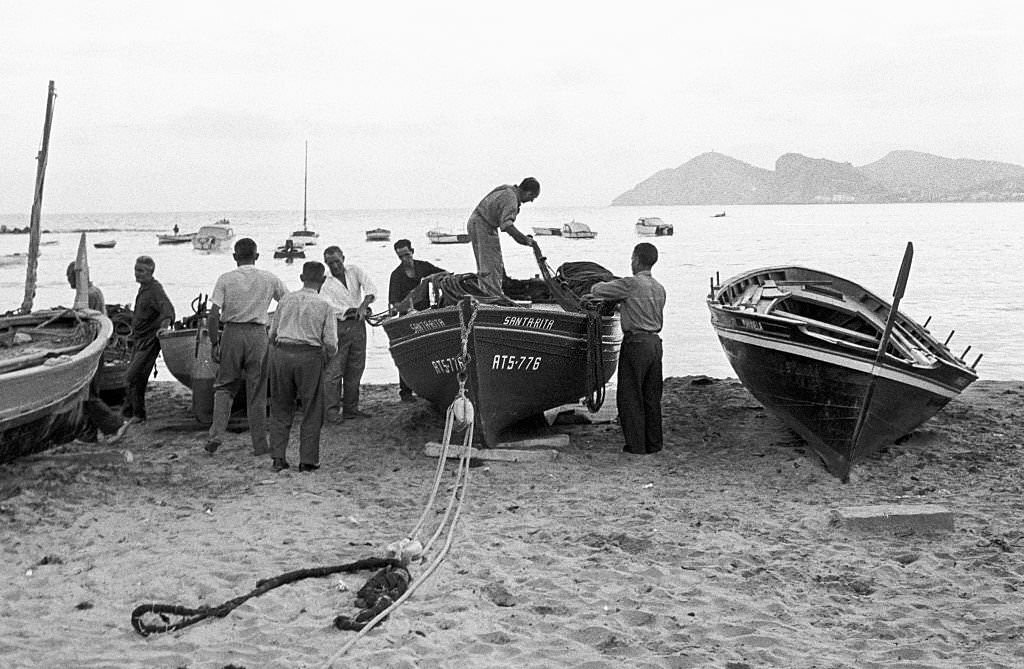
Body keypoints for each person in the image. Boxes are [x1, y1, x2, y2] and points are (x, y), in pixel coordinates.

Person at [204, 238, 288, 456]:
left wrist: (215, 342)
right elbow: (287, 303)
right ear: (257, 256)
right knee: (257, 391)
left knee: (224, 387)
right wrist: (276, 328)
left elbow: (213, 316)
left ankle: (215, 436)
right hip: (258, 334)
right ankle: (260, 445)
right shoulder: (269, 278)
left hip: (232, 332)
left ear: (235, 257)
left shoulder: (225, 279)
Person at [587, 243, 666, 455]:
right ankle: (653, 444)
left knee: (630, 397)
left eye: (632, 259)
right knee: (651, 397)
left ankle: (636, 446)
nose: (631, 262)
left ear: (637, 260)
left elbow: (597, 291)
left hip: (636, 345)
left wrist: (606, 285)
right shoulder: (659, 288)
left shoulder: (630, 284)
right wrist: (624, 305)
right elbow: (644, 311)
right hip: (655, 345)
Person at [267, 261, 338, 472]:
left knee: (280, 407)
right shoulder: (325, 306)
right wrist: (326, 358)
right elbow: (331, 343)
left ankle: (278, 458)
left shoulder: (286, 300)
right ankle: (307, 460)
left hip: (282, 353)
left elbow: (272, 334)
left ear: (301, 277)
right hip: (309, 356)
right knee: (312, 409)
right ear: (323, 280)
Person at [66, 262, 129, 444]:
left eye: (69, 277)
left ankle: (115, 425)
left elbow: (88, 323)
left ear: (78, 277)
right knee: (87, 393)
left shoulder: (90, 295)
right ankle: (89, 434)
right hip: (95, 348)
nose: (68, 280)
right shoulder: (90, 293)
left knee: (88, 394)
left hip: (94, 350)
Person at [320, 245, 377, 421]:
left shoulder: (354, 271)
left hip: (359, 326)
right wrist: (353, 310)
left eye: (337, 261)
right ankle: (331, 411)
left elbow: (371, 289)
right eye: (331, 263)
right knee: (334, 371)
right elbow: (328, 306)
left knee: (356, 368)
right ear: (326, 263)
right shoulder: (325, 282)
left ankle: (351, 408)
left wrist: (364, 305)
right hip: (338, 327)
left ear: (343, 258)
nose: (335, 266)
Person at [387, 239, 445, 402]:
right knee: (408, 354)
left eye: (407, 254)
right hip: (407, 318)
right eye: (401, 257)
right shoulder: (396, 275)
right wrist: (406, 305)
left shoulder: (424, 266)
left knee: (430, 352)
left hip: (426, 315)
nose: (405, 259)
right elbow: (394, 302)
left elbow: (445, 274)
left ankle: (426, 389)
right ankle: (405, 392)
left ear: (412, 251)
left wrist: (432, 279)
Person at [466, 177, 540, 297]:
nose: (531, 201)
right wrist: (525, 240)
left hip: (478, 222)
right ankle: (492, 299)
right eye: (532, 197)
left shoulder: (508, 189)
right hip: (482, 224)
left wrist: (522, 238)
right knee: (491, 265)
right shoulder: (511, 199)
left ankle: (486, 295)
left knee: (487, 264)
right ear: (528, 192)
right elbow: (507, 225)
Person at [123, 256, 175, 424]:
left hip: (150, 340)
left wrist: (164, 327)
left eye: (141, 271)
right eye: (136, 270)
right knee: (136, 376)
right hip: (138, 338)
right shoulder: (144, 288)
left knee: (134, 375)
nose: (137, 274)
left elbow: (168, 311)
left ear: (151, 272)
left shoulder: (155, 290)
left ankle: (138, 414)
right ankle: (131, 412)